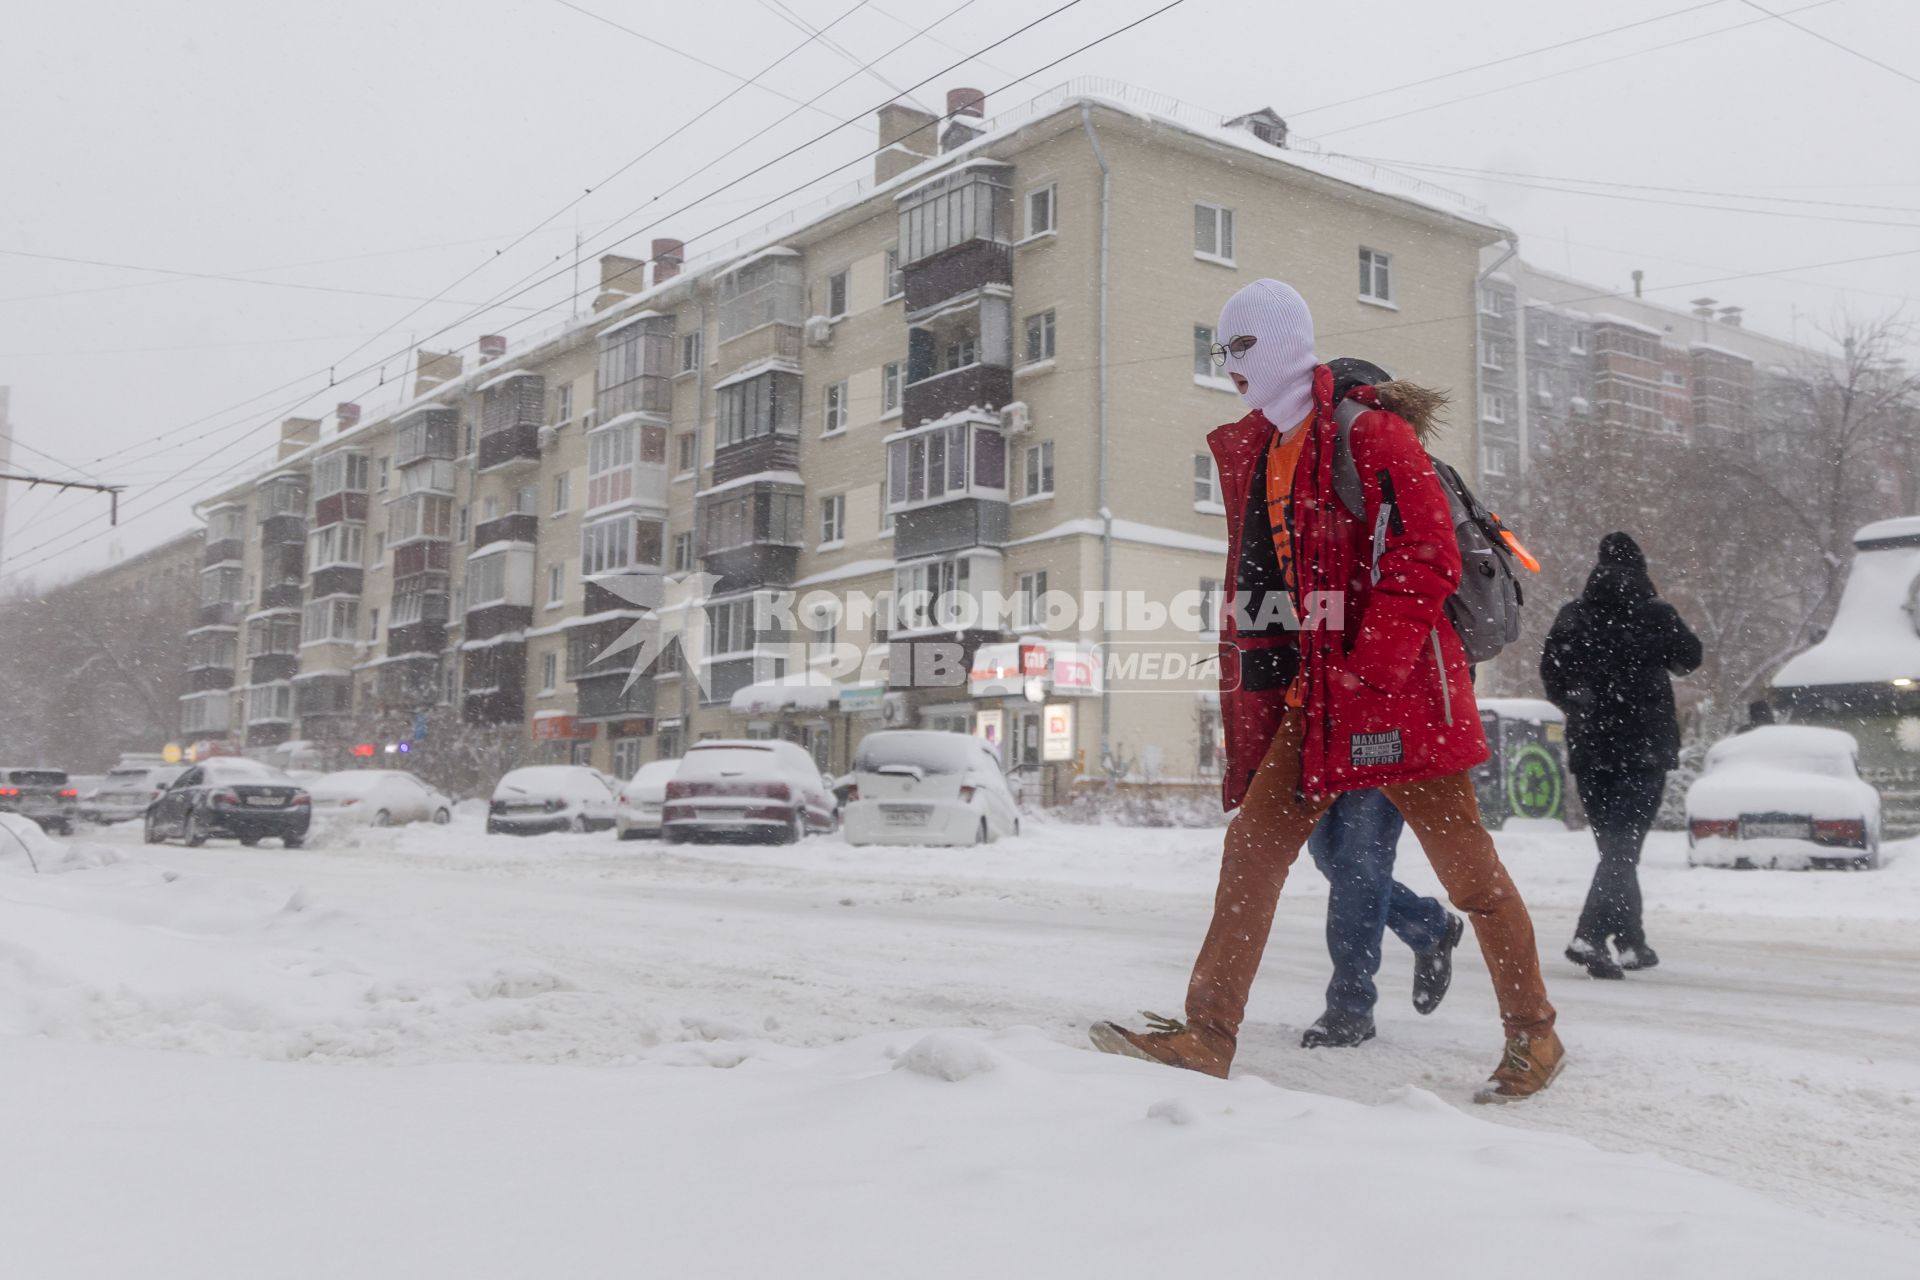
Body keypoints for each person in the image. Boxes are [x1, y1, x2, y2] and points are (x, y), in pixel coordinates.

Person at [1090, 279, 1563, 1103]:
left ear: (1281, 341)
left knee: (1469, 878)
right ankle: (1207, 1035)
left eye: (1239, 348)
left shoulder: (1370, 433)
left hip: (1405, 699)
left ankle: (1536, 1037)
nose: (1227, 366)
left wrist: (1367, 670)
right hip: (1321, 703)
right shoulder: (1268, 448)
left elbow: (1428, 558)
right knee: (1253, 854)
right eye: (1219, 351)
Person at [1540, 532, 1702, 979]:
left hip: (1592, 748)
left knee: (1615, 849)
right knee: (1622, 850)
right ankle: (1589, 936)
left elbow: (1552, 678)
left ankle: (1631, 941)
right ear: (1641, 568)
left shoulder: (1573, 617)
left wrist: (1582, 706)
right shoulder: (1655, 614)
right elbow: (1691, 659)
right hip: (1644, 749)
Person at [1303, 790, 1463, 1048]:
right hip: (1324, 756)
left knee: (1360, 860)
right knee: (1328, 852)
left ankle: (1351, 1005)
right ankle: (1428, 925)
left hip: (1378, 755)